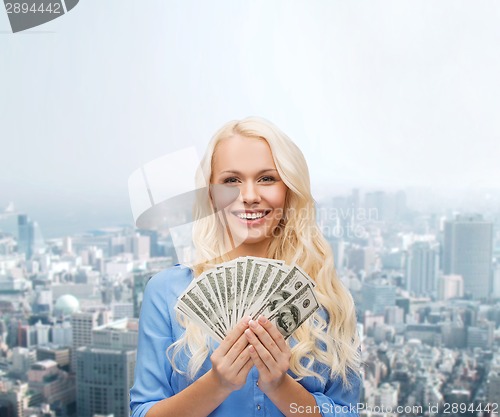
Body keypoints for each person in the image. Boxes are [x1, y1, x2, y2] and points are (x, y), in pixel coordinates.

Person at [129, 116, 362, 417]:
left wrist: (279, 385)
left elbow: (347, 412)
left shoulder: (328, 297)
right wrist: (217, 383)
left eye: (267, 178)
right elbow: (142, 412)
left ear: (289, 190)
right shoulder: (166, 291)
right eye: (231, 181)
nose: (250, 197)